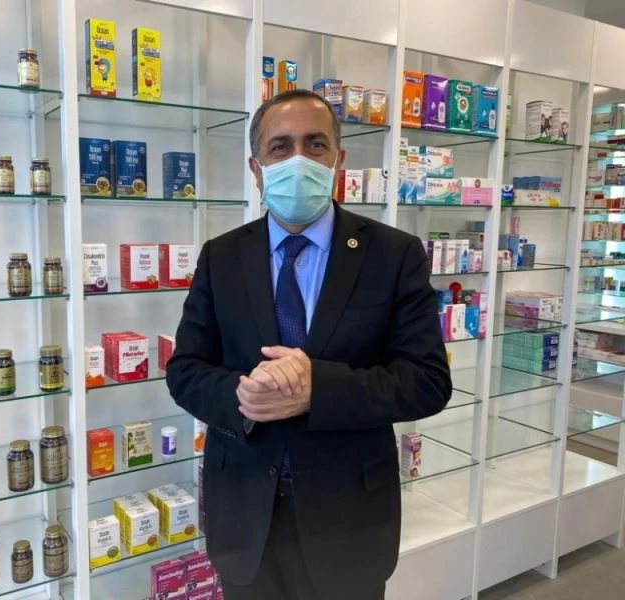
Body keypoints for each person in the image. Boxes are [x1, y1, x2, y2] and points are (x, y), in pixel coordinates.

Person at [166, 89, 452, 600]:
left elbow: (427, 382)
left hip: (349, 521)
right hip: (245, 516)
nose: (298, 159)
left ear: (339, 160)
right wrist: (240, 396)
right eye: (280, 147)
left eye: (315, 144)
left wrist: (317, 390)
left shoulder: (393, 254)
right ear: (256, 169)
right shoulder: (221, 257)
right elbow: (185, 370)